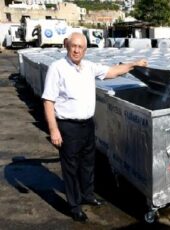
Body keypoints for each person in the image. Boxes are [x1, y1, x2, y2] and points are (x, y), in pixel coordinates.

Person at [41, 32, 147, 222]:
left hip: (87, 125)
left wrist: (134, 64)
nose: (76, 50)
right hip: (68, 126)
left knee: (88, 163)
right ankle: (74, 206)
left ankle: (88, 195)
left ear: (85, 50)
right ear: (67, 46)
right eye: (73, 46)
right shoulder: (57, 68)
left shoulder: (88, 67)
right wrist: (54, 130)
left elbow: (112, 72)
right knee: (71, 168)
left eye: (80, 47)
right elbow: (48, 101)